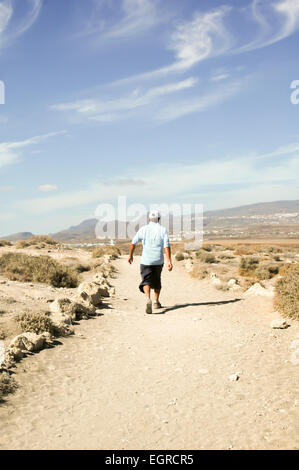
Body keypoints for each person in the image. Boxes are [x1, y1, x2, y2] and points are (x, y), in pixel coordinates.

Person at [128, 210, 173, 314]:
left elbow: (133, 242)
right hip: (158, 260)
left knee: (146, 280)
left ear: (148, 219)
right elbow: (166, 246)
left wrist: (131, 255)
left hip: (146, 260)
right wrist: (169, 261)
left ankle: (148, 298)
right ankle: (156, 302)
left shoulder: (143, 229)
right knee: (157, 280)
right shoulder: (163, 230)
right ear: (159, 219)